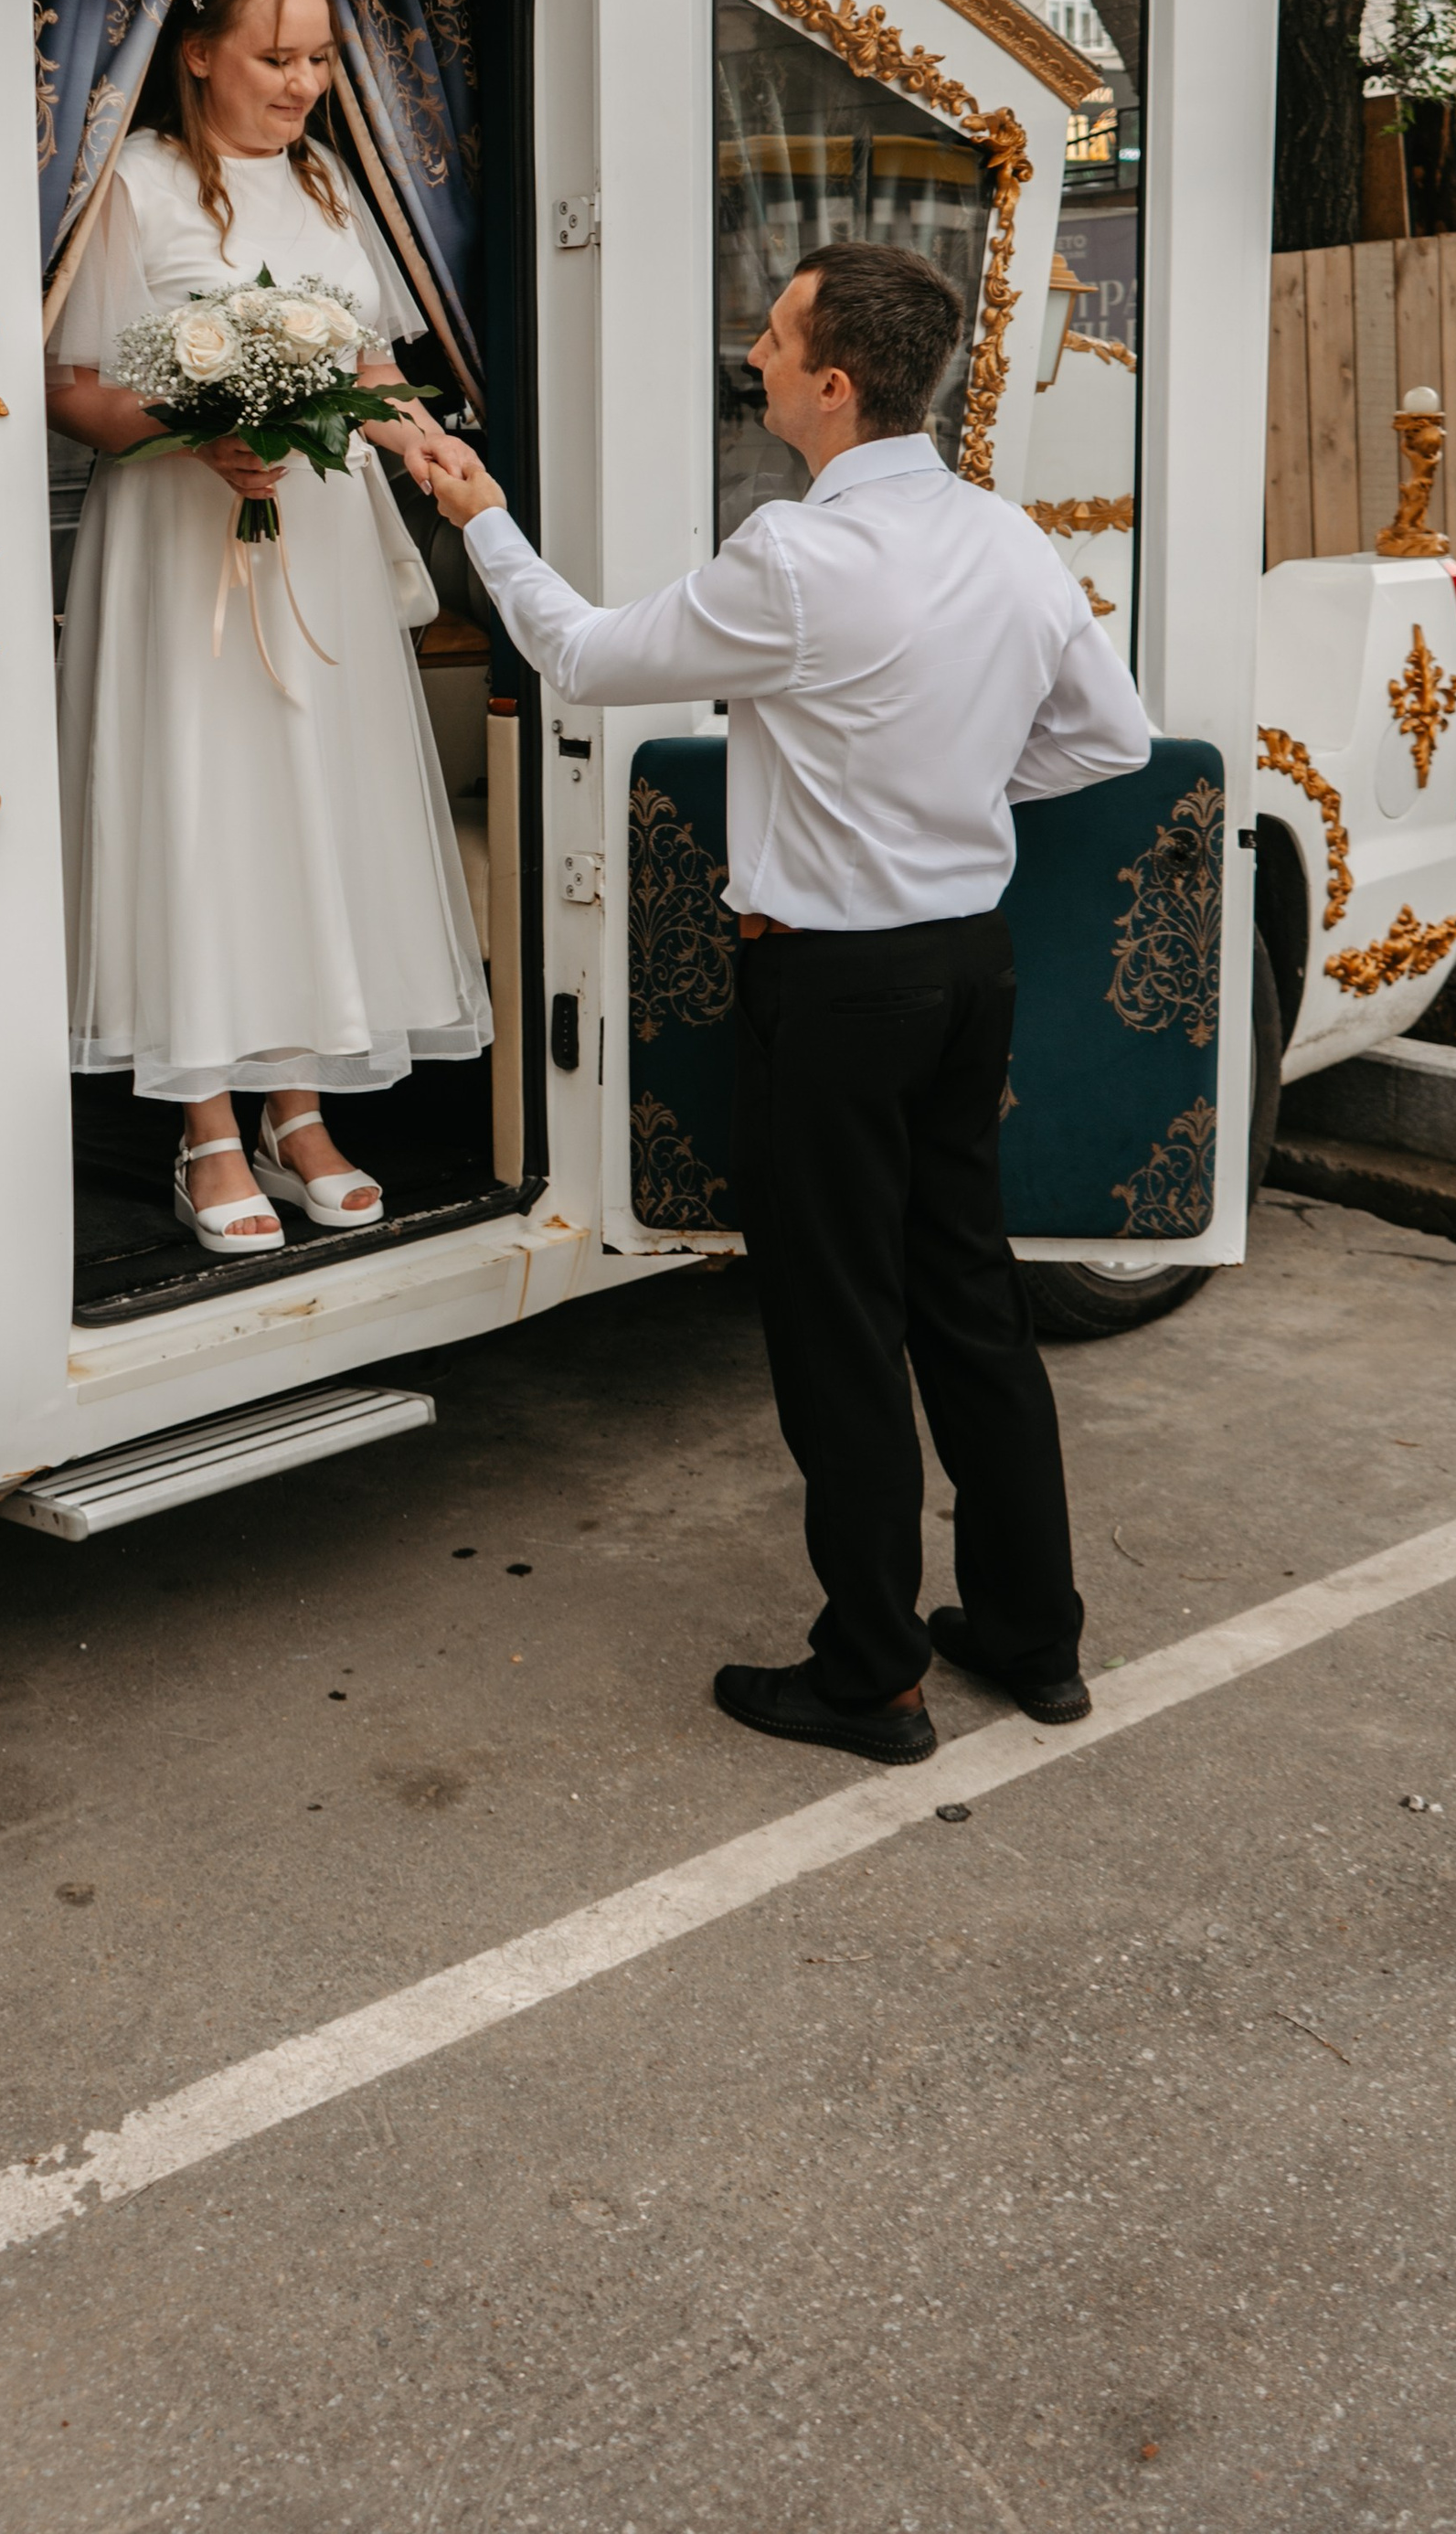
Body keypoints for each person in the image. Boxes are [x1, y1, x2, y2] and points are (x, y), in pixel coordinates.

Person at [429, 240, 1152, 1763]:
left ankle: (871, 1677)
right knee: (969, 1305)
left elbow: (574, 652)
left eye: (771, 335)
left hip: (831, 988)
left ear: (832, 386)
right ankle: (1034, 1642)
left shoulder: (795, 561)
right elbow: (1111, 742)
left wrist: (482, 514)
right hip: (968, 966)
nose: (748, 353)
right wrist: (954, 793)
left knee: (838, 1329)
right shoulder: (1011, 543)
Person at [46, 0, 490, 1257]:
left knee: (310, 814)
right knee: (208, 809)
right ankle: (207, 1130)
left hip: (323, 547)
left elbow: (366, 358)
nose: (305, 84)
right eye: (277, 57)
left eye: (321, 59)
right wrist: (195, 431)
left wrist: (425, 446)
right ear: (196, 52)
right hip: (185, 548)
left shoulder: (334, 183)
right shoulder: (131, 185)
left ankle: (301, 1114)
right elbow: (72, 388)